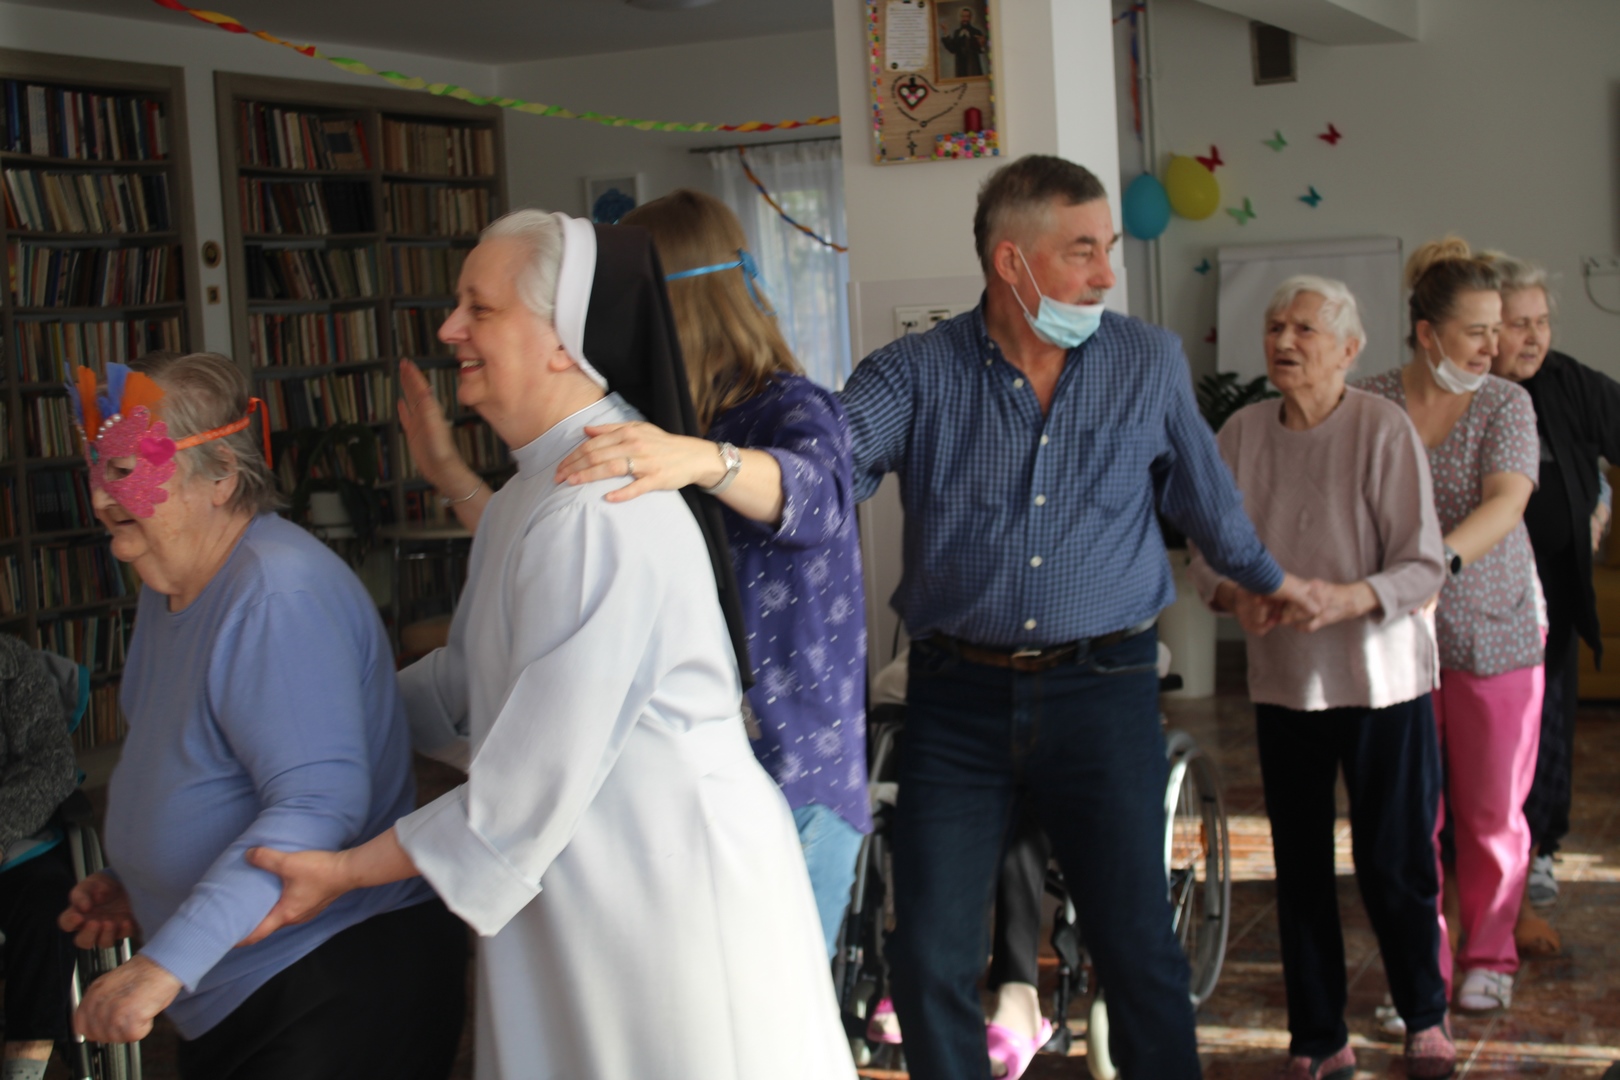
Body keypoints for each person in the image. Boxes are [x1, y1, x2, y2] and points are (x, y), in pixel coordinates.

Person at [241, 210, 855, 1080]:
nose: (450, 328)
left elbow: (528, 777)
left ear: (565, 341)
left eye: (478, 309)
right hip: (591, 881)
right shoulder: (540, 487)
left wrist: (344, 870)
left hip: (664, 889)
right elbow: (469, 680)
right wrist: (314, 719)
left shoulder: (600, 505)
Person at [837, 154, 1316, 1080]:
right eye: (1084, 251)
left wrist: (1270, 579)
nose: (1106, 274)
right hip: (955, 700)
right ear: (1011, 263)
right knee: (929, 954)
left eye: (1110, 251)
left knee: (1136, 948)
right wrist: (724, 463)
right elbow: (823, 472)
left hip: (1105, 692)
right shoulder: (915, 372)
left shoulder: (1146, 359)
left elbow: (1208, 506)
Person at [398, 189, 869, 959]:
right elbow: (553, 559)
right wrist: (452, 474)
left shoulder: (784, 408)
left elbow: (817, 499)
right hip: (681, 807)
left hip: (796, 774)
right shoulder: (647, 423)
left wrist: (699, 461)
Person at [55, 352, 466, 1079]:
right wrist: (144, 880)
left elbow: (317, 807)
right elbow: (202, 762)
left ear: (221, 478)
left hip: (331, 986)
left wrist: (162, 965)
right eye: (97, 465)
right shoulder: (168, 581)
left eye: (129, 468)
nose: (99, 496)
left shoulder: (276, 593)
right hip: (246, 985)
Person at [1189, 276, 1455, 1079]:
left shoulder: (1382, 429)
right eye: (1275, 326)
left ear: (1349, 348)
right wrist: (1238, 594)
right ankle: (1317, 1036)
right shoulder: (1238, 432)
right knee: (1298, 864)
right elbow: (1208, 554)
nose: (1285, 341)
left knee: (1394, 861)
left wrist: (1349, 598)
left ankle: (1425, 1017)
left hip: (1382, 683)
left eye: (1305, 327)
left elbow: (1424, 566)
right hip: (1286, 684)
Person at [1357, 237, 1541, 1015]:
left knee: (1491, 811)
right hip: (1395, 644)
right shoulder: (1369, 402)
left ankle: (1490, 952)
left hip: (1494, 632)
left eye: (1497, 331)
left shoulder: (1506, 402)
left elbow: (1506, 500)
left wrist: (1435, 567)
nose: (1494, 346)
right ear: (1428, 333)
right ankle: (1418, 970)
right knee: (1409, 816)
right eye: (1477, 332)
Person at [1480, 252, 1620, 915]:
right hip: (1477, 600)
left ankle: (1540, 850)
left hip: (1556, 595)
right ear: (1485, 327)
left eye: (1541, 322)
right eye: (1517, 324)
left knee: (1551, 728)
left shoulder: (1571, 383)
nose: (1533, 338)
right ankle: (1480, 852)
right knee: (1488, 737)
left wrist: (1603, 503)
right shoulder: (1467, 391)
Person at [0, 636, 79, 1080]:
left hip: (13, 838)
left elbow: (52, 764)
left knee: (52, 905)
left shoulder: (13, 667)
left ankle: (23, 1069)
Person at [940, 6, 988, 78]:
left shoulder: (976, 32)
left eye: (967, 16)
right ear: (960, 17)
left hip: (973, 69)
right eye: (963, 16)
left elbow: (980, 50)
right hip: (960, 69)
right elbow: (952, 49)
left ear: (970, 18)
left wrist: (981, 45)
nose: (965, 19)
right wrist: (946, 32)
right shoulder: (957, 32)